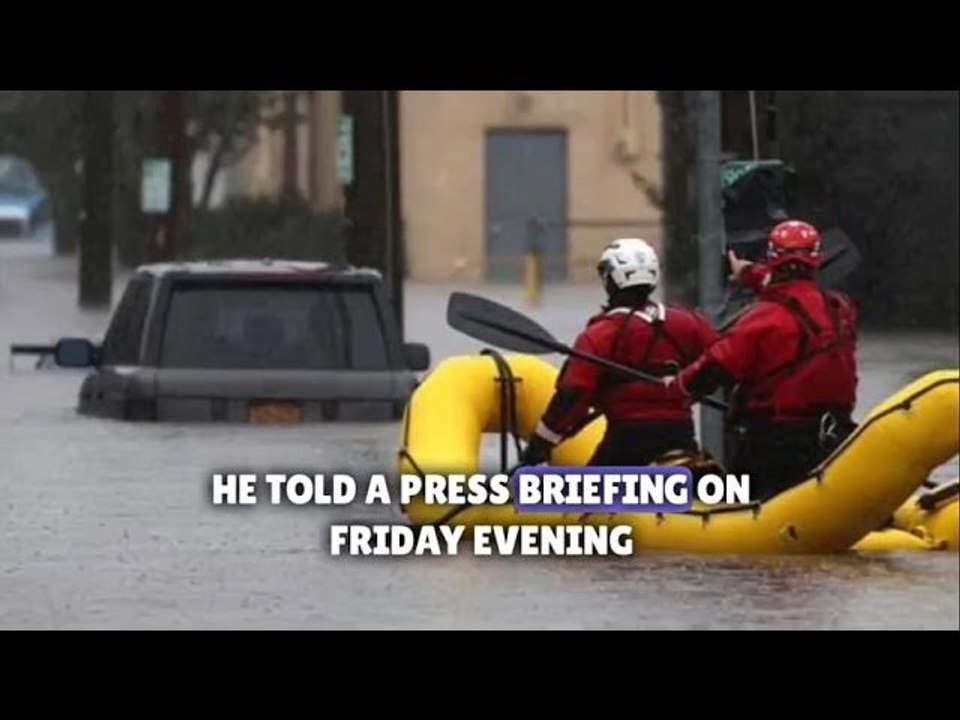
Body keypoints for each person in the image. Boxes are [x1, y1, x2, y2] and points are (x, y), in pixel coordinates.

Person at [670, 219, 859, 501]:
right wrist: (747, 272)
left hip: (775, 444)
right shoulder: (841, 308)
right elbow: (793, 294)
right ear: (816, 258)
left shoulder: (763, 318)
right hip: (836, 437)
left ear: (772, 258)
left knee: (731, 490)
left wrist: (679, 386)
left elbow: (716, 367)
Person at [520, 238, 718, 467]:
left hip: (626, 440)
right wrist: (691, 388)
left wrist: (539, 445)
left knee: (584, 498)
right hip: (681, 437)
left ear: (611, 278)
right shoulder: (689, 323)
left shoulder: (598, 335)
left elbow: (571, 396)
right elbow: (719, 365)